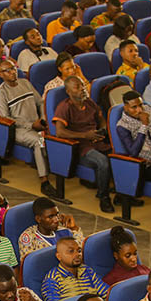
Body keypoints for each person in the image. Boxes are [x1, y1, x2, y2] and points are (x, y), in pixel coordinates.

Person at [0, 61, 55, 197]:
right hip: (17, 129)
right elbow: (6, 120)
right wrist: (31, 126)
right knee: (38, 141)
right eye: (7, 71)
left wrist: (43, 120)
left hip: (37, 122)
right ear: (0, 74)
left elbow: (40, 102)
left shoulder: (25, 83)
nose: (12, 72)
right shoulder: (0, 94)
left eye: (13, 69)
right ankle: (44, 181)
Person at [52, 76, 114, 212]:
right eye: (77, 87)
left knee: (118, 157)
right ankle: (104, 198)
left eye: (83, 86)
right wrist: (84, 135)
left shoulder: (89, 102)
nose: (83, 89)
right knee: (103, 162)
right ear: (68, 91)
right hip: (81, 146)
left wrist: (102, 130)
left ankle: (122, 194)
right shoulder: (64, 107)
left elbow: (101, 119)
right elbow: (60, 132)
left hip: (97, 140)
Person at [41, 237, 109, 301]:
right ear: (59, 256)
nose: (77, 254)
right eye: (71, 251)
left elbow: (106, 294)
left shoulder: (87, 270)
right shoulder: (52, 279)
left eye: (79, 251)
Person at [17, 198, 84, 260]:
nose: (56, 220)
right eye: (51, 217)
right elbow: (28, 266)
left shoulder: (64, 231)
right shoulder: (29, 238)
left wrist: (74, 228)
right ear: (38, 219)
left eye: (57, 214)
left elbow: (81, 251)